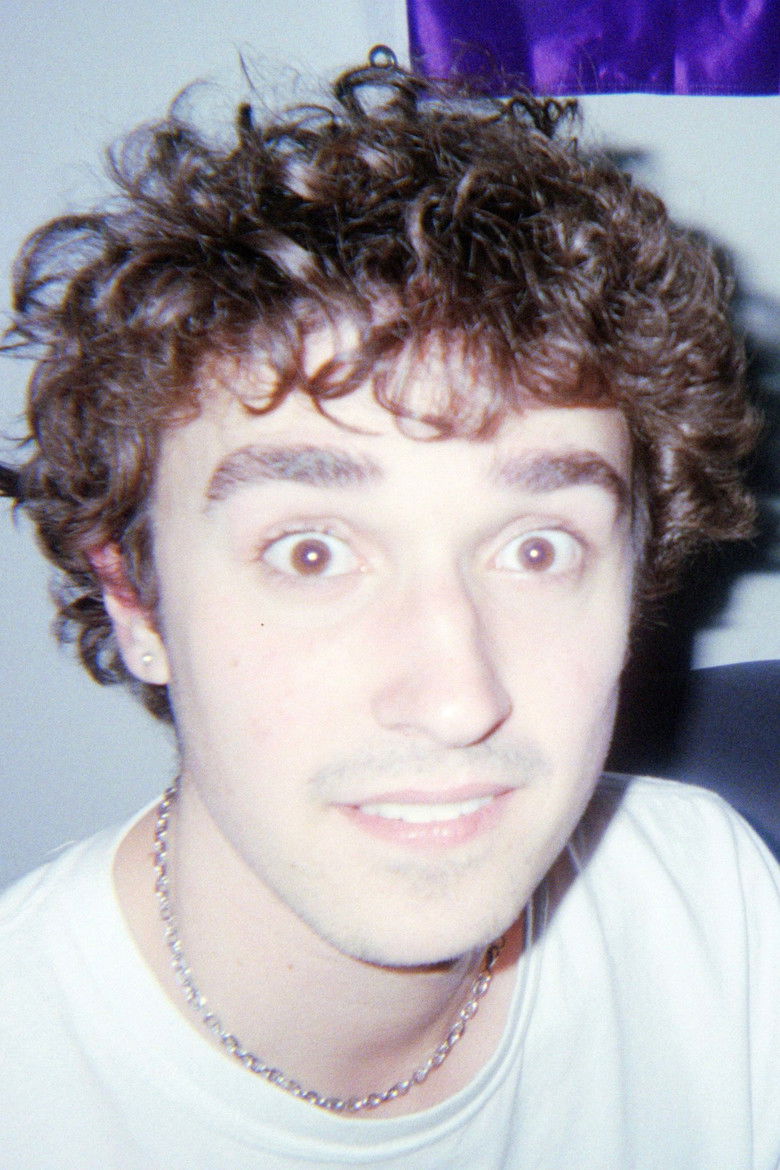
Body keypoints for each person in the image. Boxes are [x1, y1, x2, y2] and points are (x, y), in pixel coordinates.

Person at [0, 47, 778, 1169]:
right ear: (136, 599)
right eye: (312, 553)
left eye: (537, 548)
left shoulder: (708, 903)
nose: (456, 699)